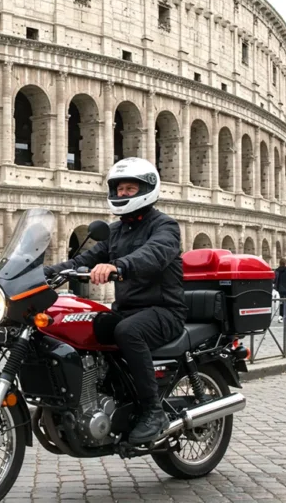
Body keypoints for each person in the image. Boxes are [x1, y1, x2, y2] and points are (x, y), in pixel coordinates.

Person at [44, 157, 187, 444]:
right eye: (119, 188)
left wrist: (117, 266)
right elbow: (84, 259)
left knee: (127, 331)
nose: (122, 194)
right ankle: (104, 393)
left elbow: (153, 255)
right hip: (127, 310)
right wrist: (43, 273)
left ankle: (153, 412)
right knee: (85, 326)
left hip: (164, 311)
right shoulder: (116, 231)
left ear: (146, 189)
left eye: (130, 188)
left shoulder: (165, 226)